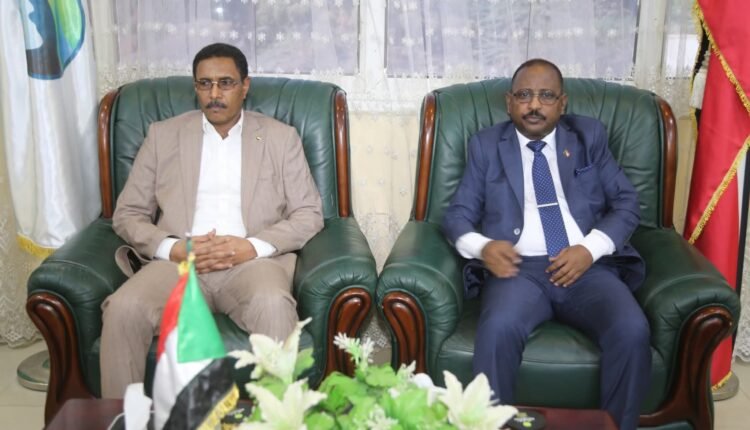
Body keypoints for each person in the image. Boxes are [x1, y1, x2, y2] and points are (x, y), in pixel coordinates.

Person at [100, 43, 324, 398]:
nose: (214, 94)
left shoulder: (281, 138)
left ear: (245, 86)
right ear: (196, 87)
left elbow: (309, 213)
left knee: (273, 305)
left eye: (225, 83)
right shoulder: (163, 135)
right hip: (178, 264)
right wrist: (173, 248)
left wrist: (251, 247)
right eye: (205, 84)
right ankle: (122, 418)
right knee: (123, 309)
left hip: (252, 264)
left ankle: (281, 417)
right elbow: (128, 213)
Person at [441, 59, 651, 430]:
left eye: (546, 96)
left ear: (562, 103)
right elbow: (457, 215)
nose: (534, 105)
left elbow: (627, 203)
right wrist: (483, 247)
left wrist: (590, 249)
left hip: (586, 265)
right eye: (524, 95)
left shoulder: (589, 136)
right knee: (497, 330)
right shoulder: (486, 146)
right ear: (509, 102)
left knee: (631, 329)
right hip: (518, 269)